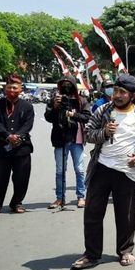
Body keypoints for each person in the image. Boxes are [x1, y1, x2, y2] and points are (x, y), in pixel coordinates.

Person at [71, 74, 135, 270]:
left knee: (126, 216)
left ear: (132, 95)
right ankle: (91, 254)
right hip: (101, 168)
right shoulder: (103, 110)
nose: (117, 95)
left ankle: (126, 251)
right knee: (92, 213)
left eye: (122, 92)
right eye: (116, 91)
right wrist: (104, 133)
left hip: (127, 172)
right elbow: (88, 134)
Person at [0, 74, 34, 217]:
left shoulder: (27, 106)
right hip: (2, 147)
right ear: (4, 88)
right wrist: (8, 136)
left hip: (22, 148)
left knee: (21, 178)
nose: (12, 90)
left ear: (20, 89)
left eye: (15, 87)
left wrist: (18, 136)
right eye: (9, 87)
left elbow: (28, 124)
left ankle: (17, 203)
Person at [44, 75, 92, 209]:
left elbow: (87, 117)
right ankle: (60, 198)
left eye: (69, 83)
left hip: (76, 140)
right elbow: (48, 117)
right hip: (60, 139)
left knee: (79, 169)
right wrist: (55, 106)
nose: (66, 86)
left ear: (74, 85)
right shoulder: (54, 100)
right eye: (63, 83)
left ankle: (81, 196)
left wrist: (73, 115)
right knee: (60, 170)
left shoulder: (81, 100)